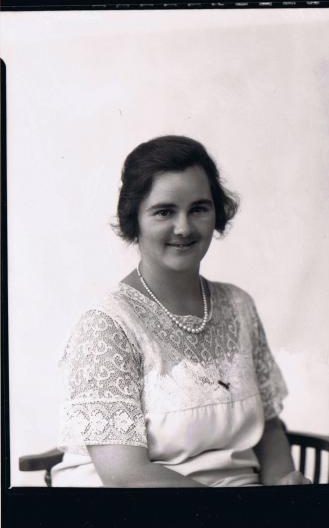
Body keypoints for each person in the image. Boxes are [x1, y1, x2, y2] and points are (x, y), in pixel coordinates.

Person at [53, 135, 311, 487]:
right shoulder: (108, 325)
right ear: (135, 220)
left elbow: (266, 426)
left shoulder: (238, 306)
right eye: (164, 211)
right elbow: (126, 475)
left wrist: (284, 481)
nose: (184, 228)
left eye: (199, 208)